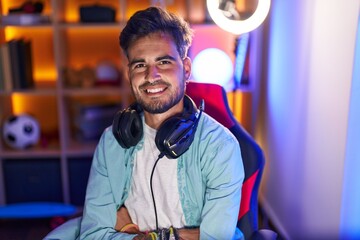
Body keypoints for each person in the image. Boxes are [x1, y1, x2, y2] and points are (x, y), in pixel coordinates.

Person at [44, 6, 244, 240]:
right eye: (140, 65)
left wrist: (138, 234)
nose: (151, 75)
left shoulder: (219, 146)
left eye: (164, 62)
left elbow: (215, 238)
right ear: (129, 74)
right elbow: (94, 234)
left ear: (186, 69)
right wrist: (185, 235)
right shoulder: (112, 140)